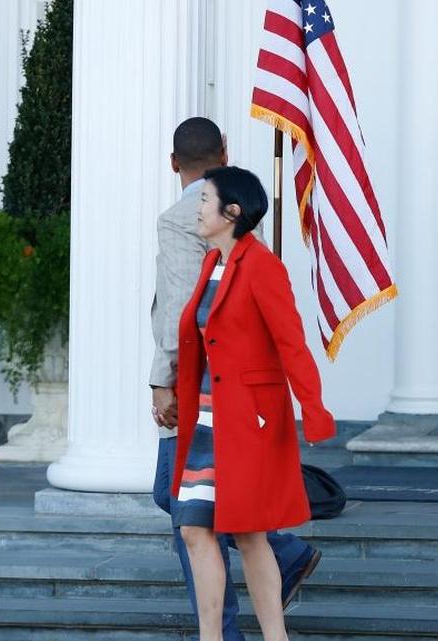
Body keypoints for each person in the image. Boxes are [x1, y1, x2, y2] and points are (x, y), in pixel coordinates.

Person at [149, 118, 322, 640]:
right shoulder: (217, 258)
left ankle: (263, 629)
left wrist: (312, 411)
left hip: (237, 414)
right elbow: (194, 320)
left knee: (239, 529)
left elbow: (290, 341)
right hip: (205, 408)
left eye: (206, 202)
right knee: (198, 522)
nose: (198, 206)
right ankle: (219, 632)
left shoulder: (255, 261)